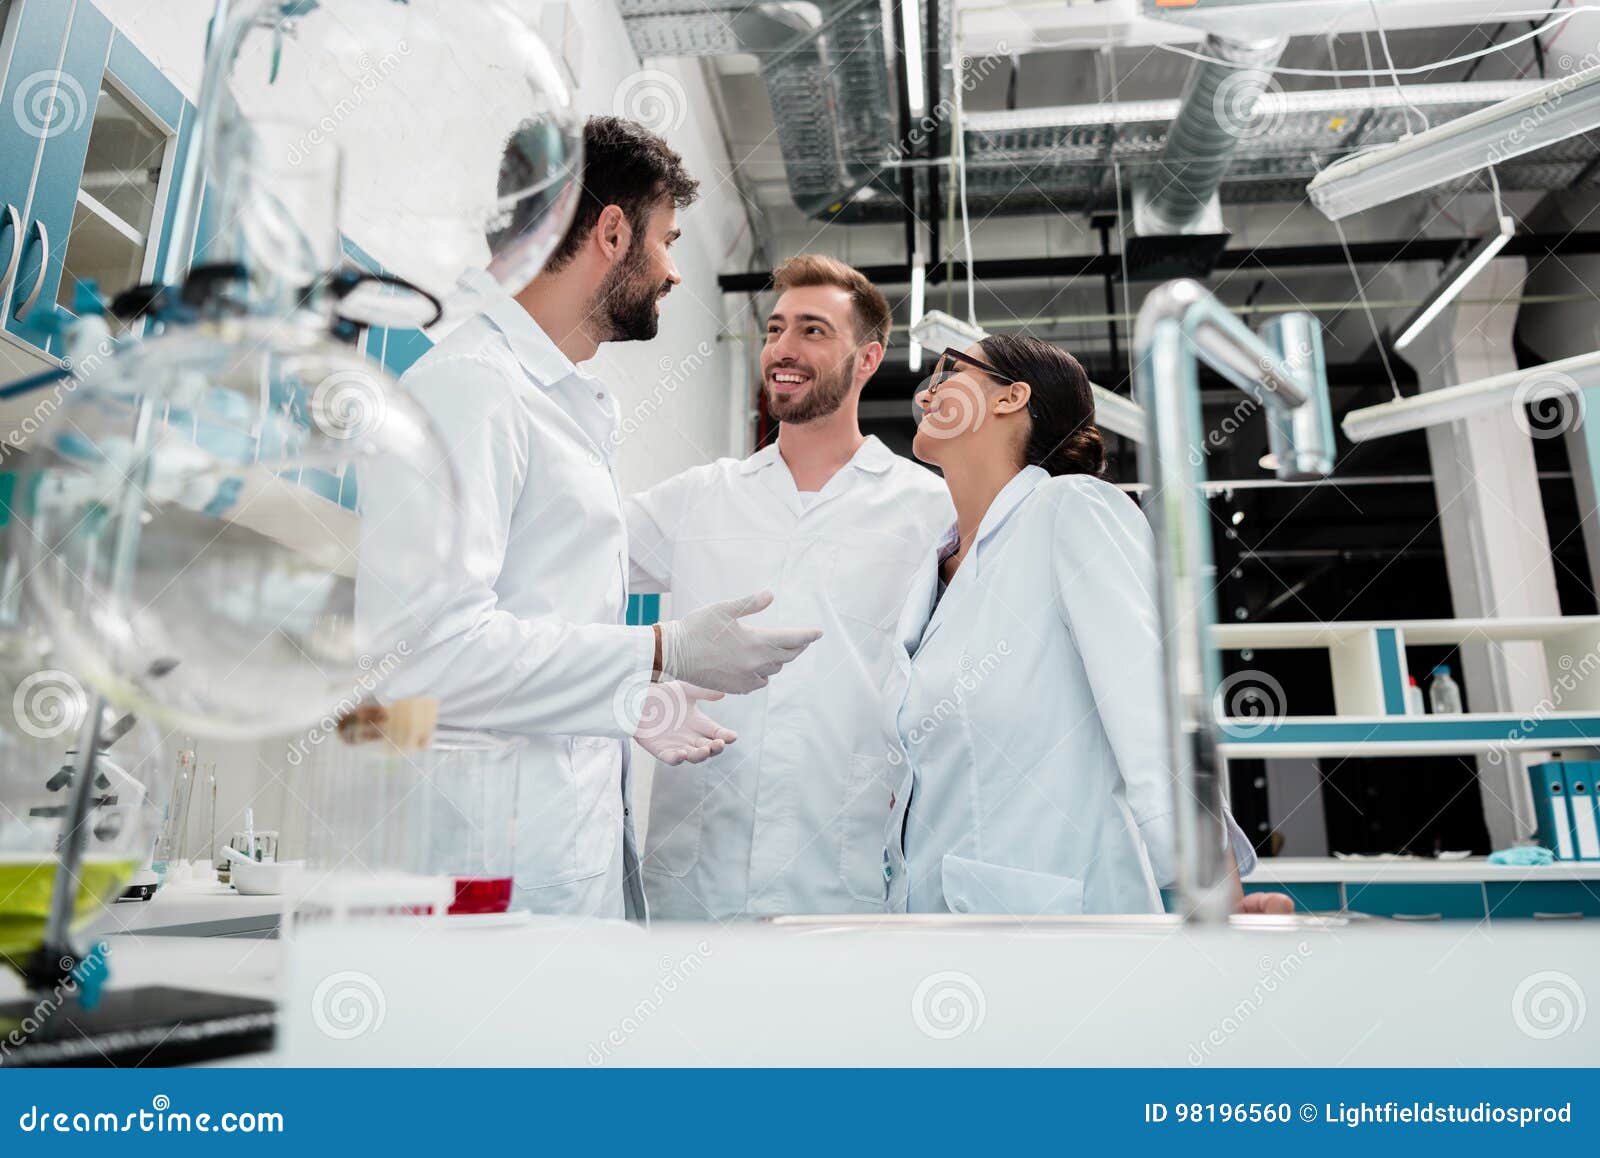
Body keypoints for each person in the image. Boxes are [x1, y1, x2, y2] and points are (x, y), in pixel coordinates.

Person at [356, 118, 820, 921]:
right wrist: (659, 652)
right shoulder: (473, 388)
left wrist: (623, 698)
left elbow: (530, 623)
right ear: (612, 231)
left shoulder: (560, 399)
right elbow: (420, 658)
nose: (675, 271)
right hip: (489, 880)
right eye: (668, 240)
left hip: (551, 861)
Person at [882, 335, 1290, 915]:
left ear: (1010, 398)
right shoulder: (930, 569)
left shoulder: (1071, 509)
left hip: (1064, 932)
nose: (926, 393)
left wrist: (1218, 893)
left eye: (949, 370)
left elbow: (1153, 715)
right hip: (932, 929)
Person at [625, 255, 954, 918]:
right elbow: (567, 579)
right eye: (775, 329)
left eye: (812, 331)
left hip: (840, 875)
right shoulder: (700, 498)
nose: (783, 348)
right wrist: (633, 688)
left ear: (866, 360)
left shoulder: (929, 510)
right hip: (693, 881)